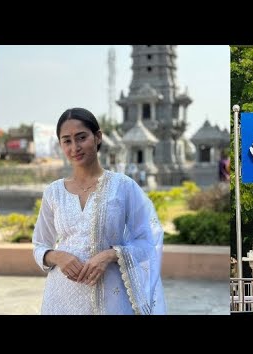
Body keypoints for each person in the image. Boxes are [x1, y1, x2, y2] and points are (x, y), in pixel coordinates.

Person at [32, 107, 166, 315]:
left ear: (97, 137)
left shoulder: (123, 187)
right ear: (61, 145)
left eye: (81, 137)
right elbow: (40, 244)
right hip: (61, 298)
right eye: (67, 140)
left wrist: (111, 255)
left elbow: (148, 242)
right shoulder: (54, 192)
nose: (75, 147)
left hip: (110, 297)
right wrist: (57, 256)